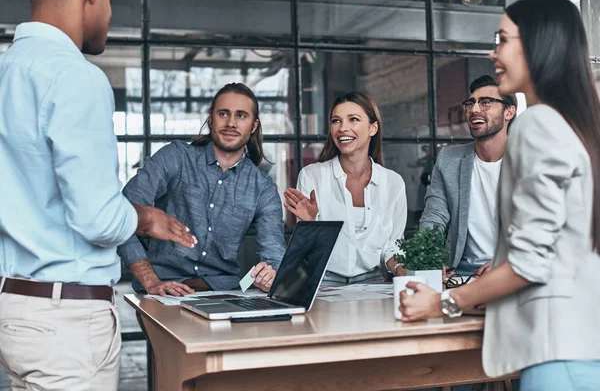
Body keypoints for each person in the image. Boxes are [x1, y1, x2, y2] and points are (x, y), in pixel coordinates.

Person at [399, 0, 600, 389]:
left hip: (554, 350)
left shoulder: (537, 124)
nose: (493, 53)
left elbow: (529, 262)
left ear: (536, 45)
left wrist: (441, 301)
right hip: (583, 341)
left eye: (502, 39)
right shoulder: (578, 125)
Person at [0, 0, 196, 389]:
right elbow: (98, 219)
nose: (109, 12)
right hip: (65, 322)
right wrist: (146, 217)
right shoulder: (74, 75)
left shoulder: (6, 70)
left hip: (15, 308)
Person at [118, 83, 286, 296]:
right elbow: (123, 211)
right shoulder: (176, 157)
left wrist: (270, 275)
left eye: (241, 115)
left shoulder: (262, 188)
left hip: (222, 293)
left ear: (253, 126)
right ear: (210, 119)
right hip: (160, 291)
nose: (231, 123)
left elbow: (275, 257)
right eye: (223, 113)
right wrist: (150, 280)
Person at [284, 92, 407, 284]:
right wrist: (309, 224)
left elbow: (393, 246)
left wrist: (402, 269)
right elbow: (305, 254)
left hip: (374, 284)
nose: (343, 128)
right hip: (322, 283)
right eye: (336, 121)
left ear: (373, 128)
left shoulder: (393, 183)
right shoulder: (312, 176)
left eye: (354, 120)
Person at [420, 75, 516, 279]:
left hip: (512, 271)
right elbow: (434, 216)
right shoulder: (449, 159)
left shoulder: (528, 160)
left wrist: (507, 263)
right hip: (461, 274)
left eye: (486, 102)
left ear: (509, 111)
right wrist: (430, 259)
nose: (474, 109)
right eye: (470, 103)